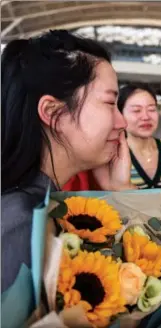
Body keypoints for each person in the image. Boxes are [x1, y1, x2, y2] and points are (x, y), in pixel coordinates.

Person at [1, 30, 132, 294]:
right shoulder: (23, 225)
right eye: (110, 103)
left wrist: (121, 189)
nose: (123, 122)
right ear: (54, 113)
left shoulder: (37, 205)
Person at [63, 84, 161, 328]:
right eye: (136, 110)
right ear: (121, 115)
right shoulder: (109, 158)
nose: (145, 116)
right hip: (125, 256)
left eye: (151, 109)